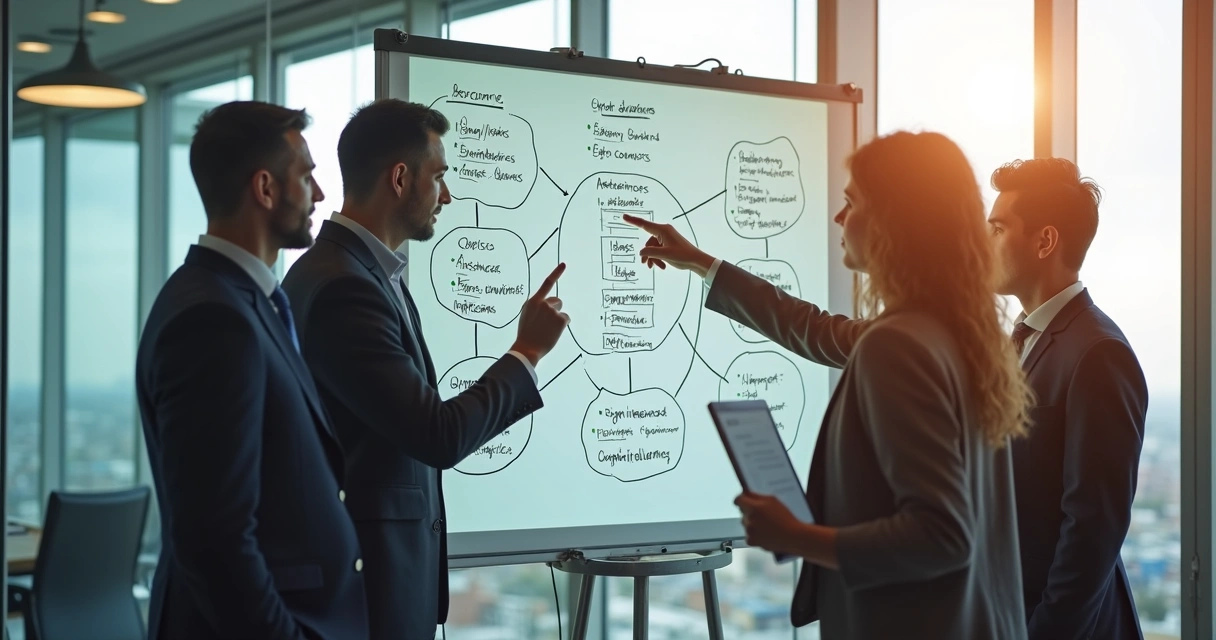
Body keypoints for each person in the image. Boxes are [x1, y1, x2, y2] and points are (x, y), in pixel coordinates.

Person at [625, 130, 1032, 639]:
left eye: (852, 202)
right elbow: (813, 328)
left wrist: (798, 536)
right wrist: (704, 265)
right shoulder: (962, 335)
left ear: (892, 221)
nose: (840, 218)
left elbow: (942, 535)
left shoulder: (899, 344)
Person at [282, 98, 570, 640]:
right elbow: (436, 434)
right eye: (438, 177)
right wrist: (527, 352)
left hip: (376, 587)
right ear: (400, 178)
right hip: (369, 595)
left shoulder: (360, 273)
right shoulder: (346, 287)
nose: (448, 194)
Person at [135, 101, 367, 640]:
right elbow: (214, 538)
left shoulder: (241, 301)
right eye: (306, 176)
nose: (320, 194)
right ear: (264, 188)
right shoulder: (212, 320)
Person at [988, 158, 1148, 639]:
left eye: (997, 229)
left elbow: (1091, 532)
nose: (983, 242)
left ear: (1045, 241)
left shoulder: (1099, 353)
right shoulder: (1018, 341)